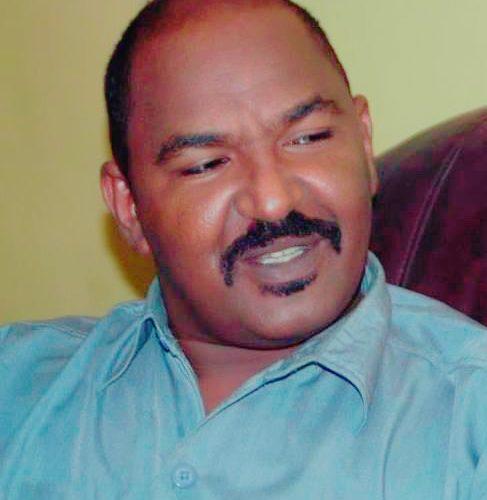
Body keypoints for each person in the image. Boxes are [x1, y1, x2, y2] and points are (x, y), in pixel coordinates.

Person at [1, 0, 486, 498]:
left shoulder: (469, 422)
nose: (273, 201)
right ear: (129, 207)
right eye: (206, 164)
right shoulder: (17, 387)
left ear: (364, 145)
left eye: (309, 137)